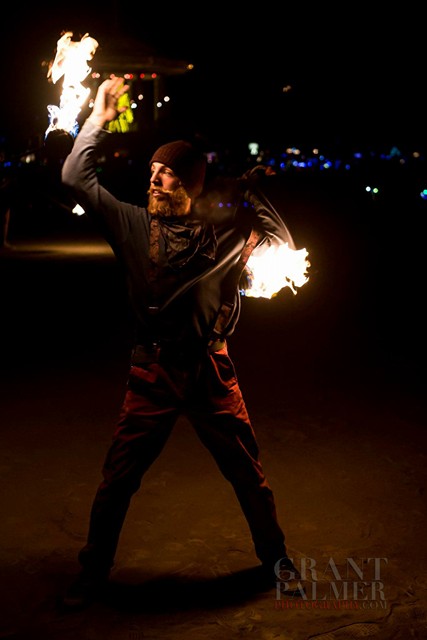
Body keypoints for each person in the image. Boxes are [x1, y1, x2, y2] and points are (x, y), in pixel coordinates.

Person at [60, 76, 302, 609]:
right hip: (153, 373)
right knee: (118, 479)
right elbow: (77, 176)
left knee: (248, 475)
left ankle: (277, 561)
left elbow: (284, 246)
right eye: (151, 172)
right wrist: (100, 116)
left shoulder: (222, 237)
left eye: (168, 173)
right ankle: (92, 572)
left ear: (190, 184)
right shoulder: (131, 225)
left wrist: (254, 192)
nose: (156, 180)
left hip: (212, 372)